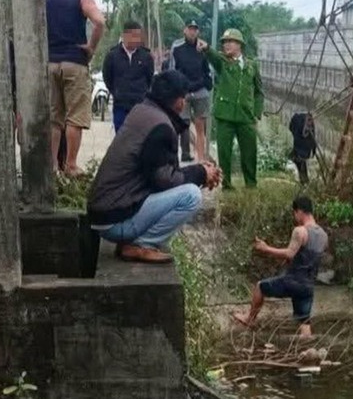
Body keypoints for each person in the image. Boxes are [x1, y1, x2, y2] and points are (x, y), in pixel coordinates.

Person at [87, 70, 222, 264]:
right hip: (114, 220)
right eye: (183, 97)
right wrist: (201, 173)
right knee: (191, 196)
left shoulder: (143, 110)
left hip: (106, 213)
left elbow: (161, 171)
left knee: (188, 186)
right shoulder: (160, 127)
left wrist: (200, 171)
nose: (185, 102)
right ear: (179, 101)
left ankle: (137, 243)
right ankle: (142, 244)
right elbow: (163, 180)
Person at [233, 196, 328, 337]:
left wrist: (265, 248)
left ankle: (249, 319)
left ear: (299, 211)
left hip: (293, 281)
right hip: (308, 286)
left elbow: (290, 253)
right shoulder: (324, 235)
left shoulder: (300, 231)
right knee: (305, 325)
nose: (295, 217)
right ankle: (307, 346)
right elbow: (308, 258)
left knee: (260, 287)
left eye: (294, 213)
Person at [46, 0, 106, 176]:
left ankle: (53, 166)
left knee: (54, 118)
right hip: (74, 62)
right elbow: (99, 21)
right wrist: (91, 47)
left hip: (50, 62)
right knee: (75, 117)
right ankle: (71, 165)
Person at [197, 29, 263, 190]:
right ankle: (226, 186)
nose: (226, 45)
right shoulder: (223, 62)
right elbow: (213, 56)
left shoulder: (252, 65)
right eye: (224, 42)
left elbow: (259, 92)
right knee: (224, 153)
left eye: (230, 41)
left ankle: (251, 185)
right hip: (225, 116)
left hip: (246, 116)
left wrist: (256, 114)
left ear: (239, 44)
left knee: (250, 152)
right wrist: (206, 48)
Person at [167, 19, 213, 162]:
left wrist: (206, 84)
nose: (192, 32)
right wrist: (176, 90)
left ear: (198, 31)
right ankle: (179, 155)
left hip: (200, 91)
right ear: (185, 30)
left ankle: (201, 160)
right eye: (190, 29)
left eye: (195, 29)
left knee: (200, 127)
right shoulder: (177, 47)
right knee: (181, 124)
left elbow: (209, 69)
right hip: (184, 92)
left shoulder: (203, 47)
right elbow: (172, 70)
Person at [102, 20, 154, 132]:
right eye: (134, 36)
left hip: (140, 104)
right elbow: (107, 77)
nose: (137, 39)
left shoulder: (146, 56)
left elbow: (150, 78)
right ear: (124, 35)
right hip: (121, 104)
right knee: (121, 135)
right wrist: (116, 91)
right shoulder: (112, 55)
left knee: (140, 136)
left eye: (138, 36)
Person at [289, 112, 317, 185]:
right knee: (301, 162)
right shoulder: (299, 122)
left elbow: (313, 138)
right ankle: (304, 181)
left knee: (301, 162)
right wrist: (313, 149)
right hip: (301, 147)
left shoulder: (305, 124)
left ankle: (304, 181)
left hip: (302, 147)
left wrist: (314, 149)